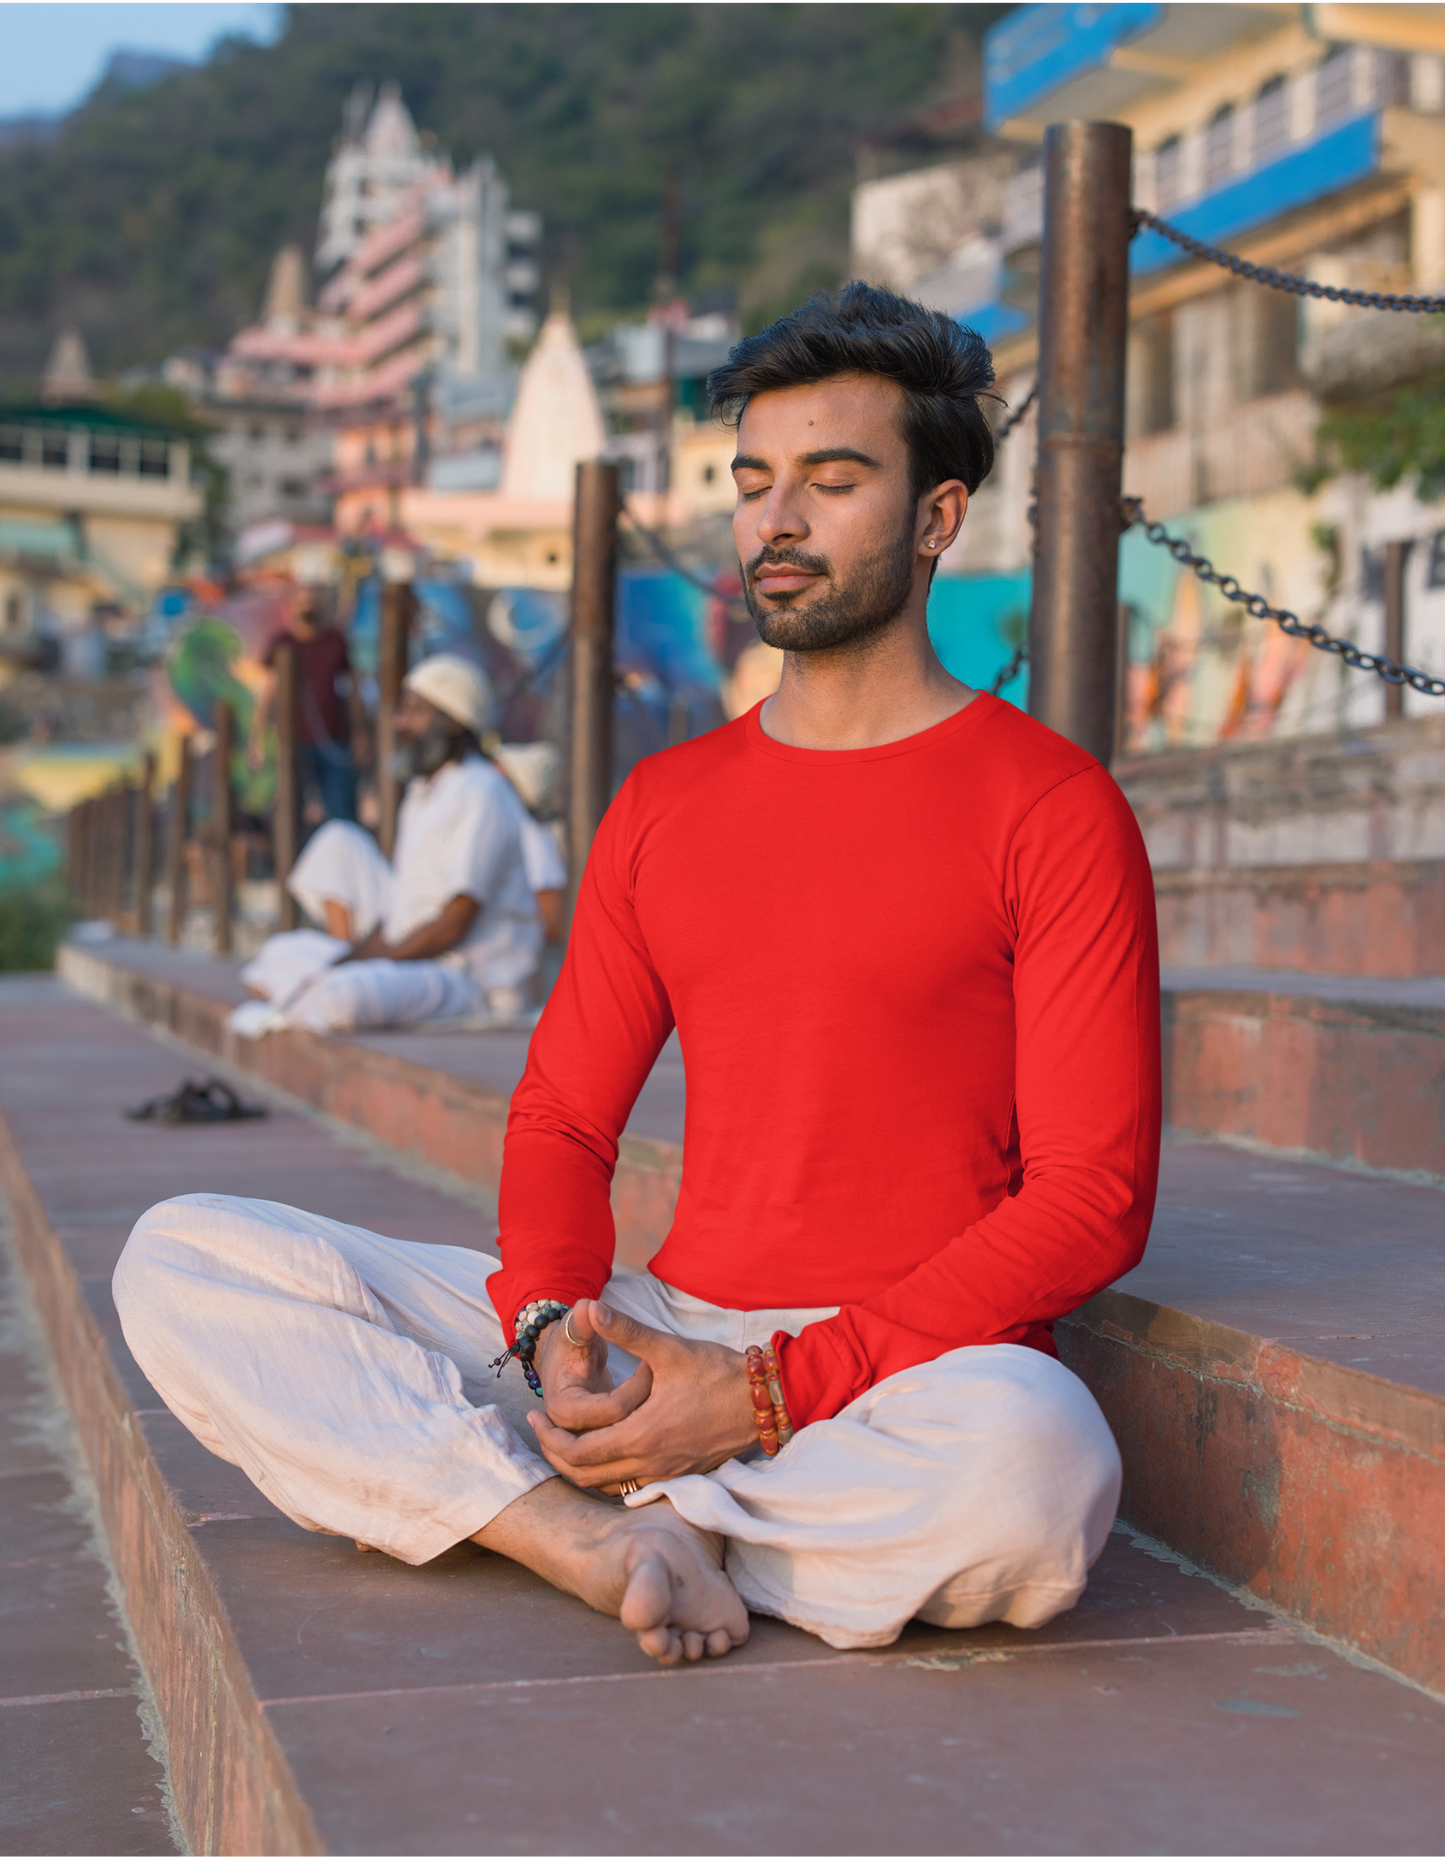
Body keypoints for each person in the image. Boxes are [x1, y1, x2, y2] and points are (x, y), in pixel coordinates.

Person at [115, 284, 1161, 1670]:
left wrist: (767, 1393)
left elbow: (1093, 1195)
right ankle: (596, 1534)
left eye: (831, 482)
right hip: (659, 1325)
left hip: (900, 1366)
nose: (774, 522)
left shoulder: (1051, 805)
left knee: (1041, 1475)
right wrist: (555, 1328)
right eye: (753, 483)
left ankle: (635, 1505)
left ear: (936, 516)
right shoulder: (668, 804)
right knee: (180, 1257)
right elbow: (559, 1118)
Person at [235, 653, 542, 1032]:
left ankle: (308, 998)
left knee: (342, 996)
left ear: (453, 722)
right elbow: (400, 916)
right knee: (276, 956)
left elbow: (456, 920)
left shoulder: (482, 790)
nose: (400, 723)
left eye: (415, 712)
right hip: (415, 960)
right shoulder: (421, 792)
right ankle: (308, 995)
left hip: (470, 978)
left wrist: (366, 968)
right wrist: (346, 962)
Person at [252, 586, 369, 825]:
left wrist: (360, 732)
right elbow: (268, 693)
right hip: (293, 742)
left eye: (313, 600)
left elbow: (353, 689)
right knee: (291, 814)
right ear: (293, 605)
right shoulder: (282, 643)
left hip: (334, 740)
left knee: (341, 811)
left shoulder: (335, 641)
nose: (308, 605)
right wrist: (258, 737)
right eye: (302, 600)